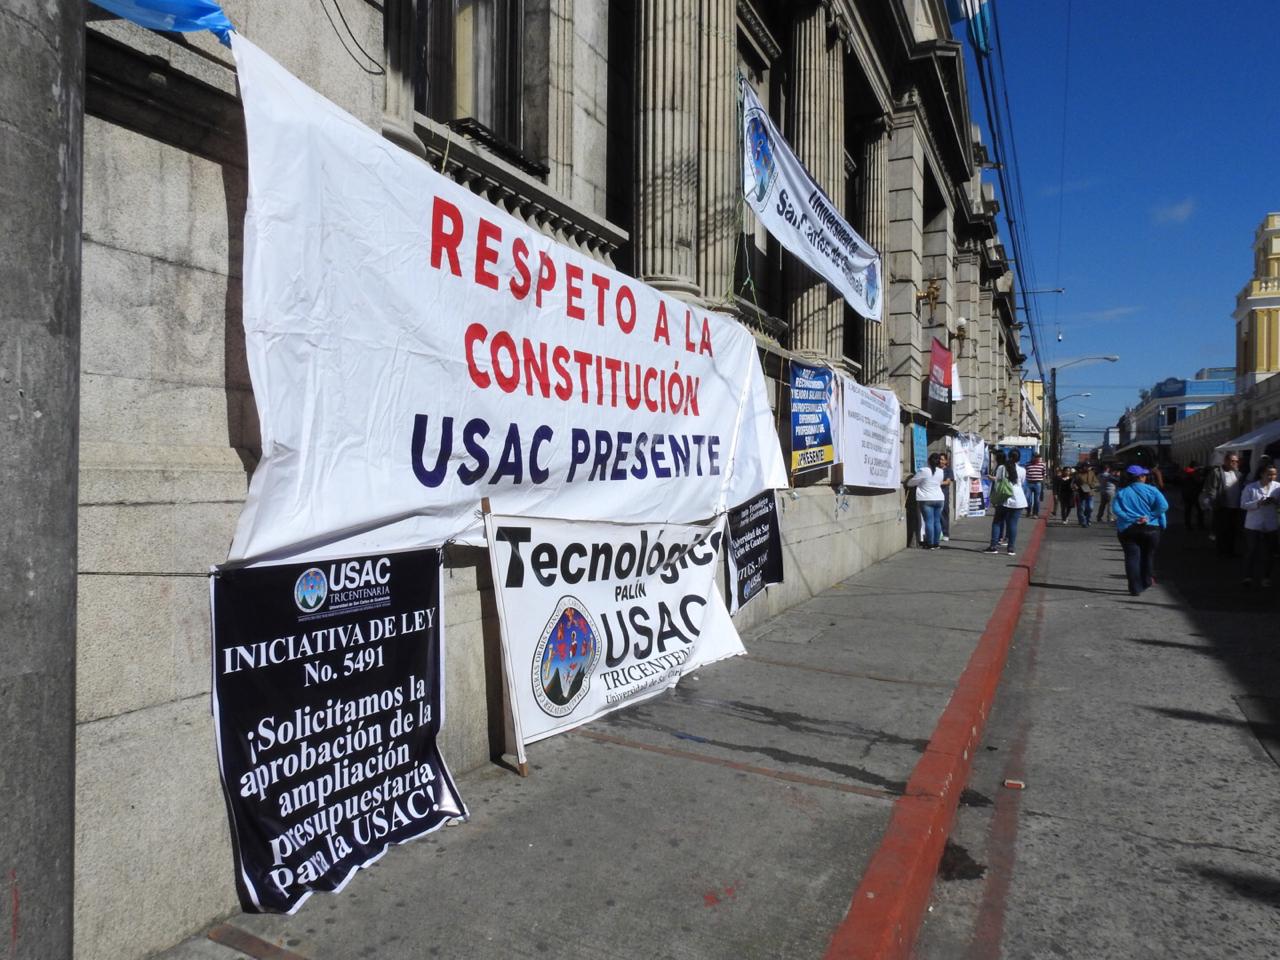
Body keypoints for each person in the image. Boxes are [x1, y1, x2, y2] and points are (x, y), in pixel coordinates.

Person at [1111, 464, 1169, 596]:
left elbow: (1116, 509)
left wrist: (1129, 518)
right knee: (1148, 555)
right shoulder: (1153, 490)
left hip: (1128, 529)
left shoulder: (1122, 492)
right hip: (1151, 528)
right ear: (1141, 477)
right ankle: (1146, 580)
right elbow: (1164, 506)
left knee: (1132, 557)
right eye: (1144, 475)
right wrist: (1150, 517)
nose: (1146, 477)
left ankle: (1134, 587)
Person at [1240, 462, 1280, 587]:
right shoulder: (1251, 487)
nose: (1272, 477)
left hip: (1270, 524)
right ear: (1262, 474)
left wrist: (1276, 502)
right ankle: (1248, 576)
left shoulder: (1278, 487)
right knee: (1252, 550)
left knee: (1270, 552)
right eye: (1269, 474)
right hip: (1253, 524)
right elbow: (1243, 505)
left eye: (1274, 474)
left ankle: (1266, 577)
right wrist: (1258, 503)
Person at [984, 449, 1028, 556]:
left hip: (1004, 498)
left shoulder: (1002, 468)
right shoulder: (1022, 470)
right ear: (1019, 458)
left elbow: (998, 480)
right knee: (1013, 524)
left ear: (1008, 456)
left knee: (997, 522)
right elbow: (1021, 483)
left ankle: (993, 546)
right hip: (1018, 499)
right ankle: (1011, 548)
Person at [1202, 452, 1245, 557]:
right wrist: (1214, 503)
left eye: (1236, 461)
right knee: (1222, 530)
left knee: (1233, 530)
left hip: (1235, 507)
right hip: (1222, 506)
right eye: (1232, 461)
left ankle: (1230, 551)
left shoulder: (1238, 474)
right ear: (1225, 461)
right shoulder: (1217, 473)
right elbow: (1211, 490)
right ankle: (1221, 552)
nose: (1234, 463)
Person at [908, 452, 947, 549]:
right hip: (939, 498)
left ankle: (930, 544)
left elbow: (911, 483)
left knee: (929, 521)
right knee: (937, 521)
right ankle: (936, 543)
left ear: (929, 461)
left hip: (926, 498)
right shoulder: (941, 472)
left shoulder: (924, 470)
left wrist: (908, 480)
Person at [1180, 461, 1206, 530]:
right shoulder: (1194, 472)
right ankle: (1200, 524)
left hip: (1186, 493)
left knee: (1188, 510)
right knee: (1200, 510)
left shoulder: (1185, 472)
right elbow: (1198, 481)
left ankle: (1187, 525)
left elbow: (1181, 481)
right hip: (1195, 494)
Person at [1024, 453, 1046, 518]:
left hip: (1038, 484)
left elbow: (1044, 474)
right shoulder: (1027, 464)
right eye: (1036, 457)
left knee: (1037, 500)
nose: (1037, 459)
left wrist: (1042, 483)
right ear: (1032, 457)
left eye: (1038, 457)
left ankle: (1035, 513)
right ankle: (1028, 511)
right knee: (1028, 498)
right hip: (1029, 483)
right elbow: (1024, 473)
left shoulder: (1042, 465)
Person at [939, 452, 954, 542]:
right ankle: (939, 532)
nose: (941, 461)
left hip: (944, 494)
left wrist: (936, 482)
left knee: (944, 512)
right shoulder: (935, 469)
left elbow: (948, 482)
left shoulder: (948, 470)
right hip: (935, 494)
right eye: (939, 459)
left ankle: (945, 533)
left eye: (942, 459)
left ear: (946, 461)